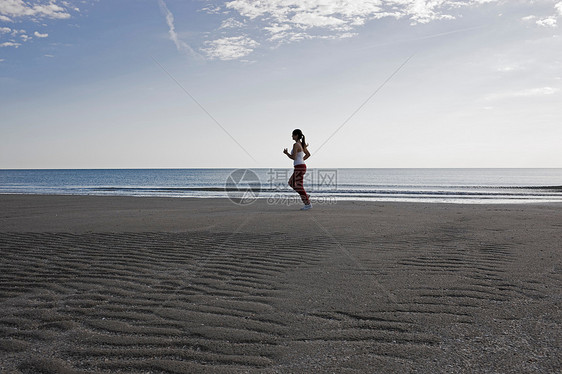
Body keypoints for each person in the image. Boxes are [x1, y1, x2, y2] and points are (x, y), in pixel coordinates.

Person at [283, 129, 312, 210]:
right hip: (301, 166)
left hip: (299, 167)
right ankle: (305, 196)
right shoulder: (302, 144)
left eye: (293, 135)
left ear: (296, 135)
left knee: (292, 183)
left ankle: (307, 203)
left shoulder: (296, 145)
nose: (292, 136)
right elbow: (308, 155)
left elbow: (294, 157)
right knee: (296, 185)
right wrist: (301, 160)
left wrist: (287, 153)